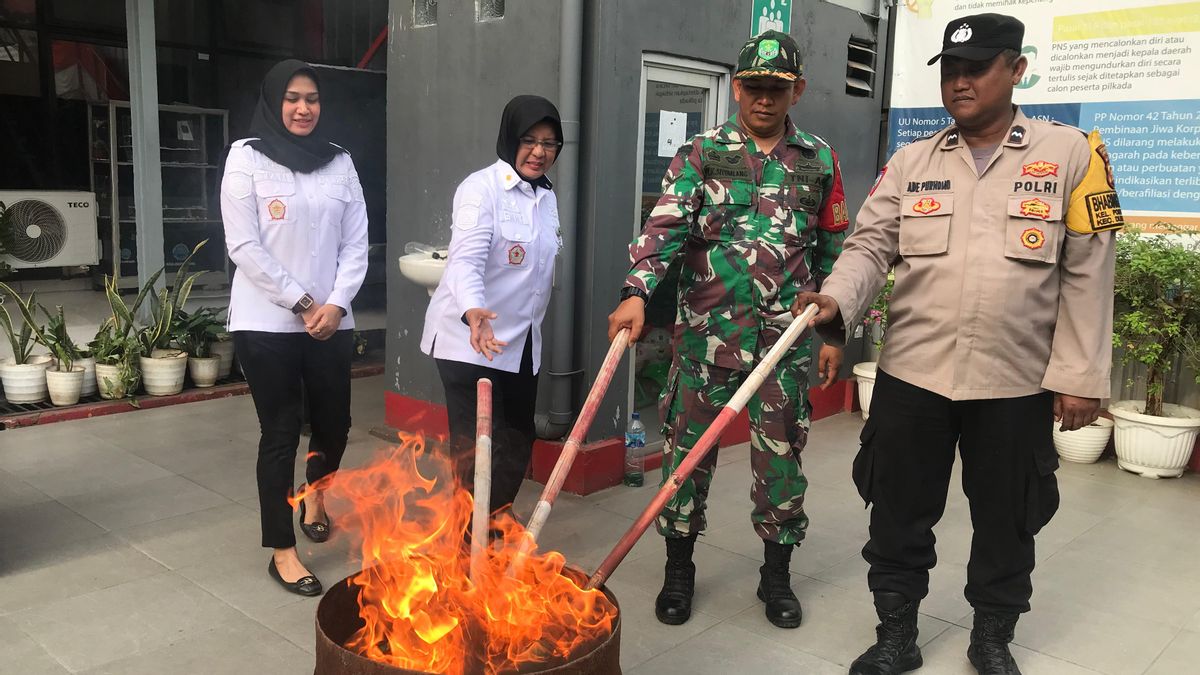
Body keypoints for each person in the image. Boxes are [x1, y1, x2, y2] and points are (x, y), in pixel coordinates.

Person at [795, 14, 1122, 675]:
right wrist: (837, 299)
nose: (960, 81)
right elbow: (868, 246)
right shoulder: (913, 162)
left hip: (1015, 381)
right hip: (913, 375)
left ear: (1017, 70)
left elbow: (1091, 267)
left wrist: (1081, 374)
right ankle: (896, 635)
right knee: (897, 511)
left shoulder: (1070, 154)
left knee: (1008, 519)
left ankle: (992, 637)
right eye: (949, 69)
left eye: (976, 68)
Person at [607, 30, 849, 629]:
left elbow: (836, 253)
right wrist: (636, 292)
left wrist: (836, 331)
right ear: (737, 86)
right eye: (755, 87)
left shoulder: (820, 160)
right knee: (687, 459)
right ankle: (679, 572)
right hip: (703, 342)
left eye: (778, 89)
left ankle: (777, 577)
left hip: (783, 348)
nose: (764, 99)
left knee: (782, 464)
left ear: (797, 91)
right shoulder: (701, 153)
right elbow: (663, 228)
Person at [221, 59, 369, 597]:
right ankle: (282, 551)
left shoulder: (341, 163)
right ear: (272, 101)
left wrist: (335, 304)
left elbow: (357, 243)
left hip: (332, 320)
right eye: (292, 98)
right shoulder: (246, 158)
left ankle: (317, 493)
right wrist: (304, 302)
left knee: (335, 425)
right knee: (280, 434)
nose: (303, 108)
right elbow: (244, 247)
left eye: (311, 98)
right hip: (267, 324)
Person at [420, 95, 563, 517]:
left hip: (520, 343)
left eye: (550, 143)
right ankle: (468, 544)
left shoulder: (546, 197)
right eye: (529, 140)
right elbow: (465, 259)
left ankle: (494, 517)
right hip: (470, 340)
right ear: (509, 138)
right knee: (476, 448)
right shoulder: (480, 189)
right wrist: (473, 311)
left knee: (519, 437)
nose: (539, 152)